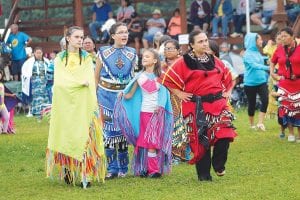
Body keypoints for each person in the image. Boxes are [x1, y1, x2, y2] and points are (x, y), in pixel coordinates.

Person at [160, 30, 237, 181]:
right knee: (202, 140)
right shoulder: (183, 62)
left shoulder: (213, 59)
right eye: (200, 41)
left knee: (225, 133)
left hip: (218, 104)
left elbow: (228, 76)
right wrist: (179, 93)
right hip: (196, 106)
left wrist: (227, 90)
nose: (204, 44)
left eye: (205, 40)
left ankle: (219, 164)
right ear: (192, 45)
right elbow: (166, 79)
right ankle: (204, 175)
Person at [46, 26, 106, 188]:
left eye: (82, 37)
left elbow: (88, 79)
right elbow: (60, 82)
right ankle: (68, 167)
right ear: (68, 38)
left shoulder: (86, 58)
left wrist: (81, 84)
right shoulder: (60, 58)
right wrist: (78, 83)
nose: (80, 40)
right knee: (68, 136)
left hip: (84, 103)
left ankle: (86, 175)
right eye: (77, 37)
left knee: (86, 136)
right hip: (66, 105)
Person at [114, 49, 173, 178]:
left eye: (147, 56)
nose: (144, 58)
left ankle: (154, 170)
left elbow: (164, 93)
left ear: (155, 60)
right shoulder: (139, 76)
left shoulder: (161, 76)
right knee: (146, 141)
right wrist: (123, 94)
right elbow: (130, 95)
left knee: (153, 141)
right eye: (143, 56)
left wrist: (160, 105)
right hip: (144, 113)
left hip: (157, 114)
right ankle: (147, 168)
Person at [95, 22, 137, 179]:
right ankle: (112, 169)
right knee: (108, 133)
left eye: (126, 32)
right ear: (113, 36)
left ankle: (123, 168)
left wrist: (131, 95)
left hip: (124, 97)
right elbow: (96, 76)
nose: (125, 35)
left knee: (123, 132)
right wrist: (94, 96)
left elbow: (133, 78)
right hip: (105, 96)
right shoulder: (103, 53)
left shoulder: (132, 53)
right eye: (120, 32)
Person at [162, 40, 190, 163]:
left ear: (178, 50)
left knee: (183, 125)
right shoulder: (161, 65)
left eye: (171, 48)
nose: (168, 51)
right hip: (165, 98)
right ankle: (170, 155)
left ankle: (183, 154)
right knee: (168, 125)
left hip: (182, 98)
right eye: (166, 49)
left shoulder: (184, 63)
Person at [270, 27, 300, 143]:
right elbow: (273, 62)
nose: (282, 39)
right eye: (281, 36)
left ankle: (299, 134)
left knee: (298, 108)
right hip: (284, 83)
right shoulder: (279, 50)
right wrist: (273, 73)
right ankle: (291, 133)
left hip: (298, 82)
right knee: (287, 108)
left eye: (285, 36)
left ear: (292, 36)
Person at [243, 33, 269, 131]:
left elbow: (261, 60)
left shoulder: (257, 52)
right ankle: (252, 124)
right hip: (250, 83)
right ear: (254, 41)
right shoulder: (247, 54)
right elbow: (254, 65)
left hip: (262, 81)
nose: (261, 41)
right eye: (260, 39)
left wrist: (270, 61)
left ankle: (260, 123)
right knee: (252, 104)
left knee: (265, 100)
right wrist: (268, 68)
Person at [22, 47, 50, 120]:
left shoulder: (46, 61)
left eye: (40, 53)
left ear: (42, 53)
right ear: (34, 53)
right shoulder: (29, 62)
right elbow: (24, 71)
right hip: (34, 83)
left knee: (45, 97)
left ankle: (46, 112)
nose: (39, 54)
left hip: (45, 82)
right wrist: (29, 77)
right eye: (37, 53)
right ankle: (34, 112)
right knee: (35, 97)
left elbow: (50, 70)